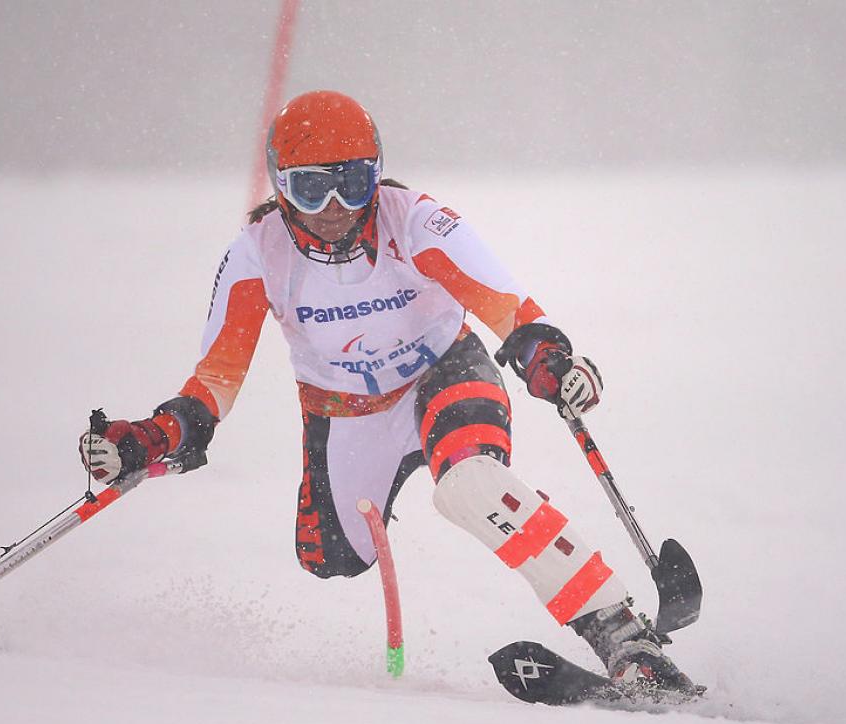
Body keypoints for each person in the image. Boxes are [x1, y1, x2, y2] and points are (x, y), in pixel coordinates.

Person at [80, 90, 693, 693]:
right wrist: (157, 435)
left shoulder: (417, 220)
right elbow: (215, 378)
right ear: (279, 187)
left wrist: (547, 358)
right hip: (344, 412)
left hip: (443, 371)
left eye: (354, 183)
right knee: (331, 557)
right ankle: (413, 472)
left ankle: (623, 637)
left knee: (469, 483)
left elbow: (511, 311)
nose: (336, 208)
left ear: (378, 174)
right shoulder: (255, 256)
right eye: (310, 188)